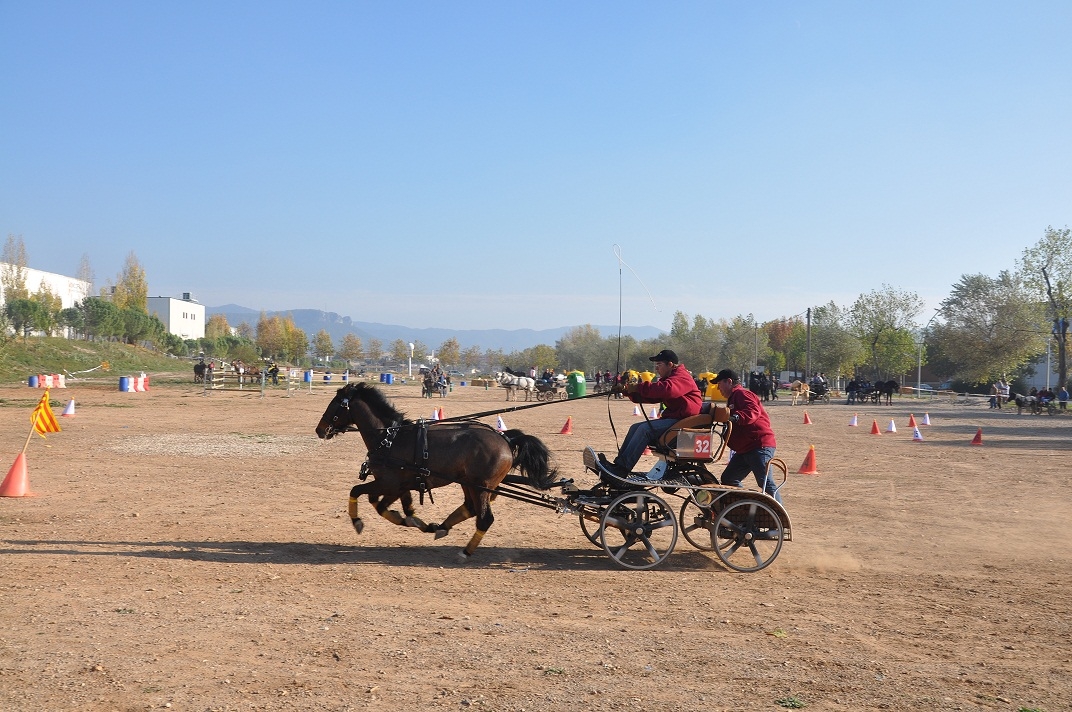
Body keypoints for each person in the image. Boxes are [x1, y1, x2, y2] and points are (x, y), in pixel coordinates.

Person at [598, 349, 702, 476]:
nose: (657, 368)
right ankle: (619, 464)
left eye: (659, 365)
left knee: (644, 429)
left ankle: (622, 469)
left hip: (683, 422)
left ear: (670, 364)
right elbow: (653, 396)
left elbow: (666, 390)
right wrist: (627, 391)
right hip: (676, 419)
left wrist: (637, 387)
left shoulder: (681, 377)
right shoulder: (670, 378)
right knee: (635, 427)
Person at [713, 368, 783, 504]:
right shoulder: (733, 398)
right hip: (746, 448)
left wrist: (735, 417)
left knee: (765, 482)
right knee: (729, 478)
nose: (718, 388)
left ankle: (779, 520)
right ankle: (745, 508)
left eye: (719, 383)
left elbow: (752, 411)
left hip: (758, 445)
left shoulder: (742, 394)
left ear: (729, 381)